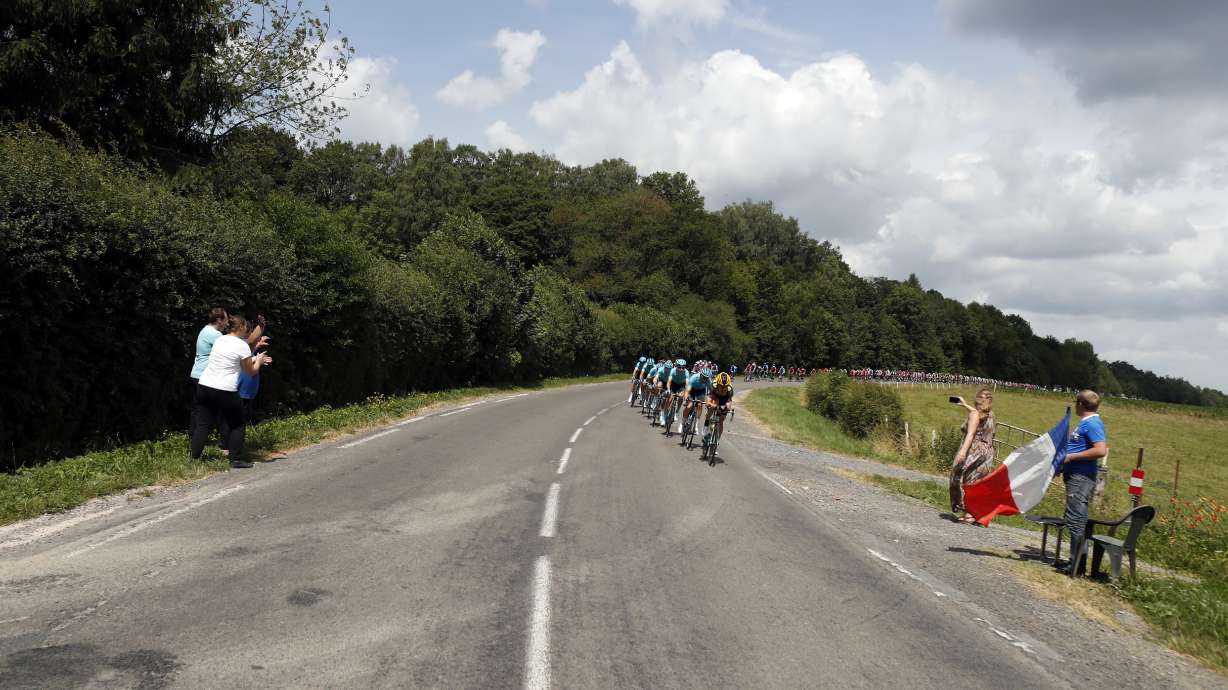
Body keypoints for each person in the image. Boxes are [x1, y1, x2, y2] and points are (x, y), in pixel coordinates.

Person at [192, 315, 272, 469]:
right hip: (225, 389)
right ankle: (235, 459)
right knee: (237, 424)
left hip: (205, 385)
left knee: (203, 424)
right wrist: (259, 361)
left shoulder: (220, 340)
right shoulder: (241, 345)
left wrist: (259, 330)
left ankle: (194, 458)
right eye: (246, 327)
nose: (247, 330)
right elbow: (250, 371)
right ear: (240, 327)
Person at [1057, 389, 1108, 575]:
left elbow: (1100, 450)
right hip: (1074, 476)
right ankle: (1075, 560)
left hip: (1081, 478)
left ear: (1080, 404)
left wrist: (1071, 458)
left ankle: (1077, 565)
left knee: (1076, 520)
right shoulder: (1086, 422)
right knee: (1074, 518)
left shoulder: (1093, 423)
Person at [949, 388, 996, 524]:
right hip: (987, 452)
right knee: (976, 482)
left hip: (974, 450)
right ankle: (974, 514)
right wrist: (964, 405)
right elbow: (977, 415)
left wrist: (962, 452)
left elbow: (970, 434)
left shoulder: (974, 414)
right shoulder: (991, 414)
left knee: (958, 477)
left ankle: (965, 510)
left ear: (977, 400)